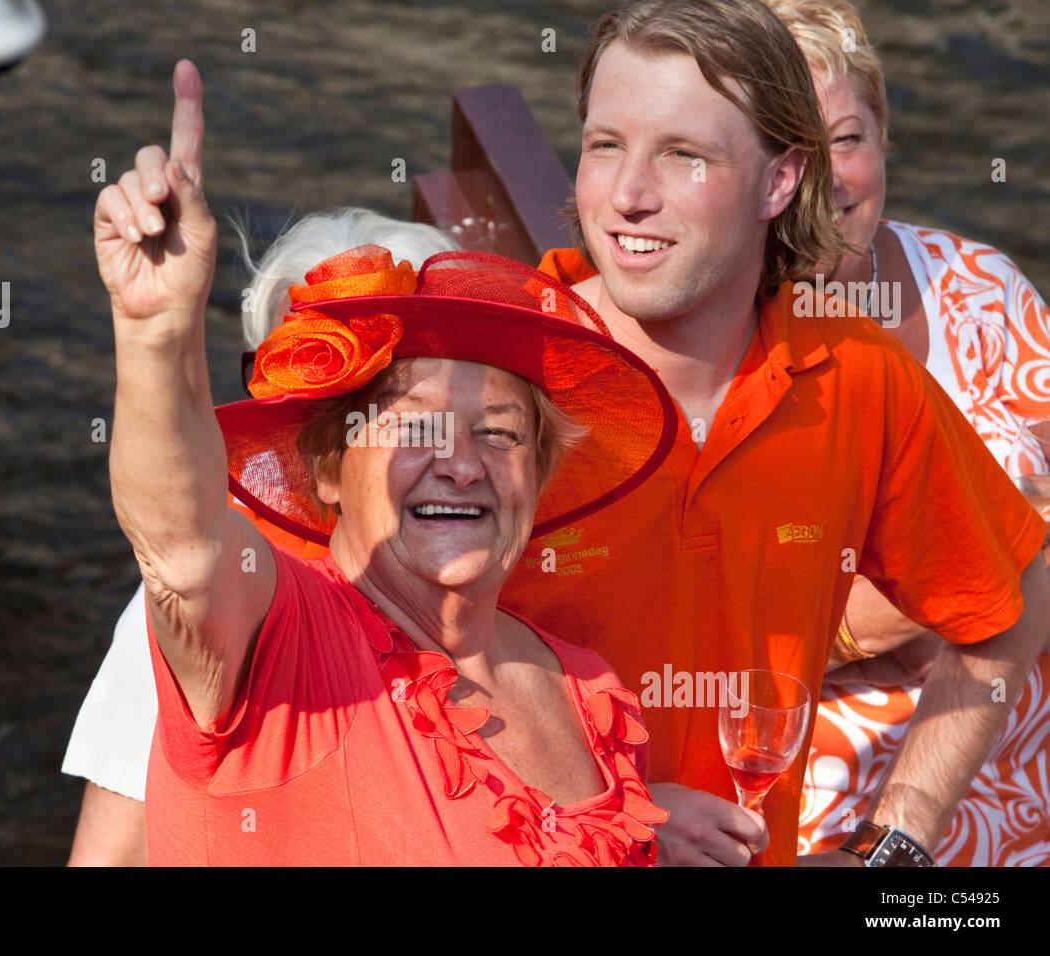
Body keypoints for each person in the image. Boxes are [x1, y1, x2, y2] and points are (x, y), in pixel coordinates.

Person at [68, 0, 1050, 867]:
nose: (626, 194)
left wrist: (899, 839)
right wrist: (612, 820)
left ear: (778, 181)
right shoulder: (488, 368)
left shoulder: (860, 379)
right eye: (603, 144)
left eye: (681, 154)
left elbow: (1011, 593)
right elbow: (203, 566)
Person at [87, 59, 680, 864]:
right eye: (417, 428)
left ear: (537, 472)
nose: (462, 463)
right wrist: (157, 335)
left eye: (500, 433)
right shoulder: (282, 641)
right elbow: (182, 549)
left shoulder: (591, 690)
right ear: (326, 468)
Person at [62, 210, 456, 865]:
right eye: (293, 380)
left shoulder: (499, 575)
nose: (318, 424)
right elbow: (111, 854)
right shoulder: (220, 594)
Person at [758, 0, 1050, 865]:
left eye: (846, 140)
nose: (822, 182)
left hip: (1025, 797)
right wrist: (871, 621)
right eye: (784, 151)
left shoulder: (985, 290)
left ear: (885, 138)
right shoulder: (710, 339)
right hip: (835, 826)